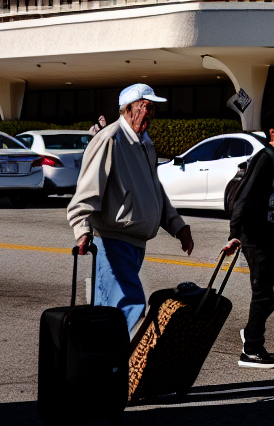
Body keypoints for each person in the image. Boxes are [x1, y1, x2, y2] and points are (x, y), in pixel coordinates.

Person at [67, 84, 194, 334]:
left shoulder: (145, 144)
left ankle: (107, 366)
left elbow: (155, 190)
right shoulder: (109, 139)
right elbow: (88, 187)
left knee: (110, 310)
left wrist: (178, 226)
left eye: (153, 108)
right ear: (128, 109)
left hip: (136, 243)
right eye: (147, 106)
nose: (151, 113)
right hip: (113, 241)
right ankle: (115, 365)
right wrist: (81, 227)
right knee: (129, 305)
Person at [221, 109, 274, 368]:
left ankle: (252, 329)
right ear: (273, 134)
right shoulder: (265, 158)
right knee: (262, 292)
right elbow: (244, 197)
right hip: (254, 236)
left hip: (271, 234)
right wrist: (234, 235)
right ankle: (251, 349)